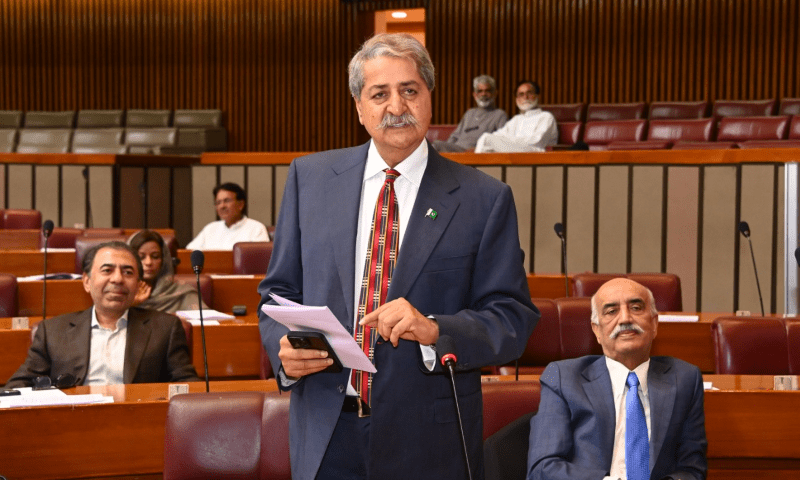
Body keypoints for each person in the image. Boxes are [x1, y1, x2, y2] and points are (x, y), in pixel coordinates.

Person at [258, 33, 539, 480]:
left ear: (429, 97)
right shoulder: (310, 178)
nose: (396, 106)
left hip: (429, 441)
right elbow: (278, 293)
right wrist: (283, 350)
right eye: (379, 93)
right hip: (325, 431)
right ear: (358, 106)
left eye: (410, 90)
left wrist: (435, 330)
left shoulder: (484, 198)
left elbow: (511, 318)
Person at [527, 278, 707, 480]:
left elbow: (693, 469)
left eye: (636, 308)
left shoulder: (684, 379)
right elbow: (543, 468)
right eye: (611, 311)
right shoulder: (562, 377)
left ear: (654, 323)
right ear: (597, 330)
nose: (625, 319)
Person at [5, 241, 199, 388]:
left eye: (128, 272)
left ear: (138, 284)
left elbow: (188, 386)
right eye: (107, 270)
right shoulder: (53, 331)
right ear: (87, 282)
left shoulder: (165, 328)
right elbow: (18, 387)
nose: (117, 279)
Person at [128, 229, 208, 314]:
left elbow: (206, 321)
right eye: (141, 257)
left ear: (163, 260)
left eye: (155, 256)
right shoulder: (120, 293)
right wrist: (129, 304)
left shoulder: (182, 293)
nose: (148, 262)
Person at [475, 80, 558, 153]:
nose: (525, 97)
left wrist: (509, 141)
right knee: (486, 139)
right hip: (514, 153)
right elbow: (499, 135)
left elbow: (537, 142)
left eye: (529, 93)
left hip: (536, 154)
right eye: (521, 94)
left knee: (487, 139)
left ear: (537, 96)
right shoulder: (516, 119)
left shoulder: (546, 116)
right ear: (517, 99)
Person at [431, 74, 507, 152]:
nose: (483, 94)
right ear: (475, 94)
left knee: (435, 146)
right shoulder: (469, 113)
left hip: (475, 153)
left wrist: (478, 150)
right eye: (480, 91)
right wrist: (446, 150)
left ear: (495, 93)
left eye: (487, 91)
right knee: (432, 146)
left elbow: (500, 141)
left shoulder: (500, 114)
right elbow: (454, 136)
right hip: (455, 151)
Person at [186, 182, 268, 250]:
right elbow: (189, 252)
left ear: (241, 204)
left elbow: (260, 260)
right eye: (218, 203)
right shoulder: (210, 229)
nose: (222, 206)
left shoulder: (256, 228)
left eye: (227, 201)